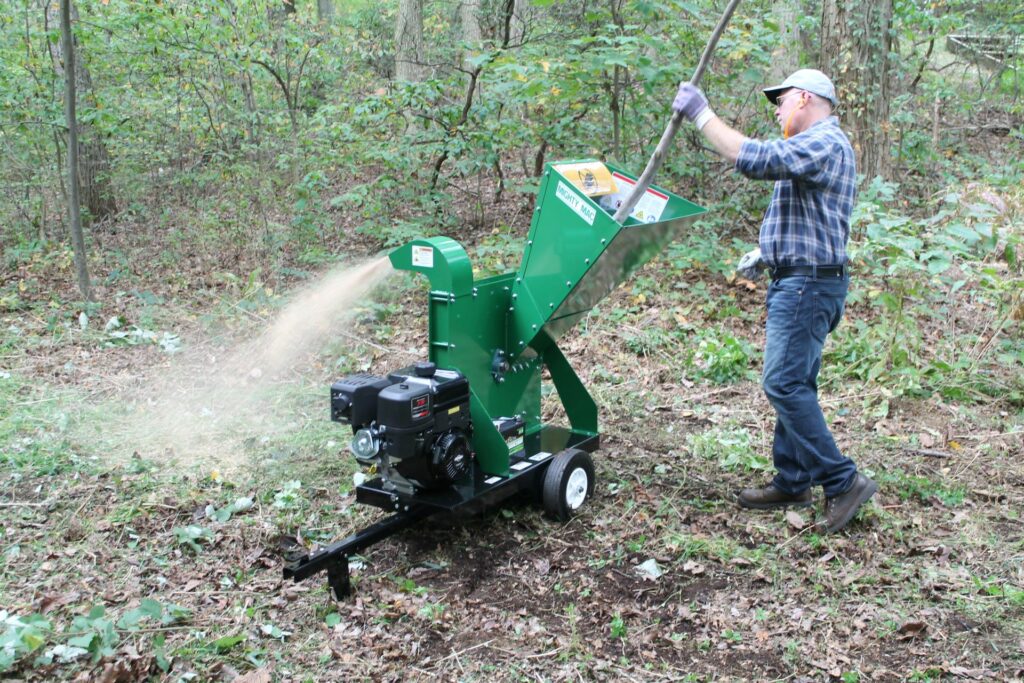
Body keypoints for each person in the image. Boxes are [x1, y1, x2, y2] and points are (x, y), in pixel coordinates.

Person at [672, 69, 877, 534]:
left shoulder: (824, 141)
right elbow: (809, 220)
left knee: (783, 384)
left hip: (807, 285)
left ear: (805, 98)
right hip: (802, 279)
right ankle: (793, 480)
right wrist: (767, 253)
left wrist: (701, 114)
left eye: (781, 101)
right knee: (796, 381)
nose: (778, 110)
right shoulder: (815, 148)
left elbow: (754, 157)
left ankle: (842, 482)